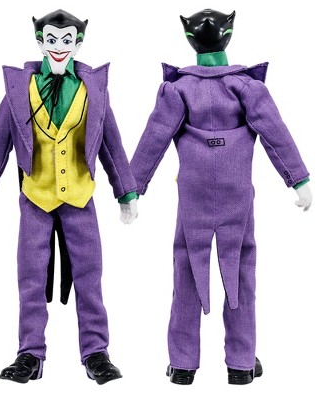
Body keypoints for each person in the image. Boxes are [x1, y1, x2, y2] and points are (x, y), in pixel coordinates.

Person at [130, 9, 312, 385]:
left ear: (189, 38)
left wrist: (131, 188)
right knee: (240, 269)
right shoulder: (246, 87)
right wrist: (298, 180)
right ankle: (241, 363)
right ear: (229, 35)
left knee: (186, 269)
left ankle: (183, 364)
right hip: (236, 192)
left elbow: (154, 137)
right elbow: (275, 133)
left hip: (193, 193)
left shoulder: (178, 89)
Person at [0, 9, 137, 385]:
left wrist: (125, 191)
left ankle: (96, 351)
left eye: (66, 40)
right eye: (51, 39)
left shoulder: (93, 90)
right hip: (36, 197)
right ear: (40, 41)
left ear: (78, 43)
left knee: (89, 275)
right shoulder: (20, 90)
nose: (59, 47)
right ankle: (30, 353)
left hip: (79, 197)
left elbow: (111, 144)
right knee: (30, 276)